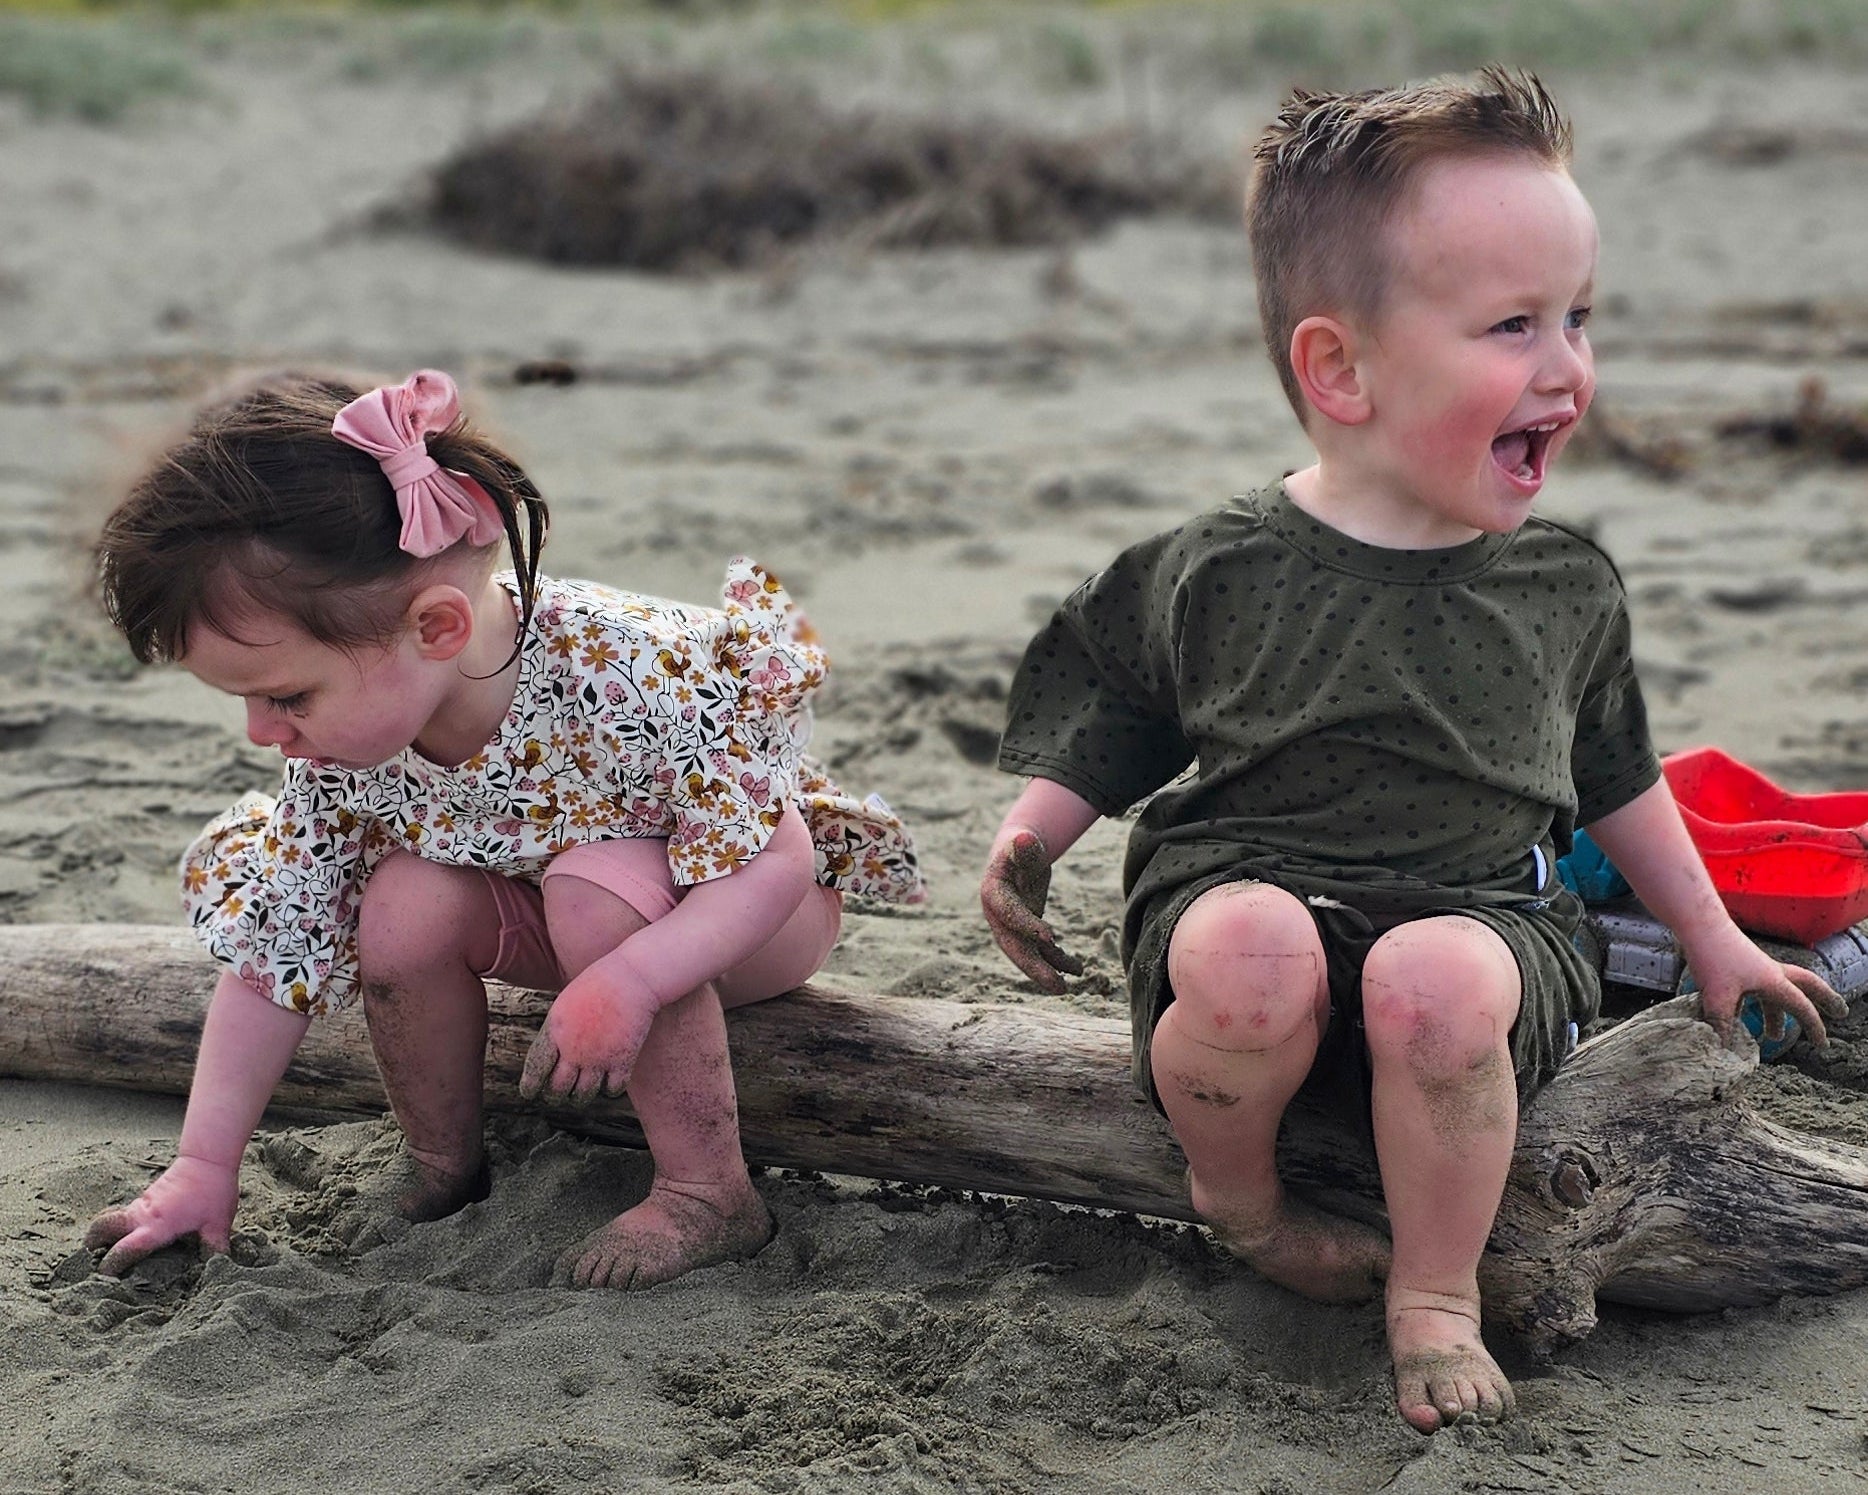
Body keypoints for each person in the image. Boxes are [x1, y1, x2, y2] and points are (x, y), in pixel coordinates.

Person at [980, 68, 1844, 1433]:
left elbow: (1618, 775)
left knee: (1435, 979)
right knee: (1245, 951)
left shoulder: (1563, 585)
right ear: (1342, 366)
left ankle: (1434, 1292)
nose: (1568, 368)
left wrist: (1719, 937)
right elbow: (1118, 700)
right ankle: (1240, 1196)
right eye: (1513, 325)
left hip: (1483, 921)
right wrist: (1031, 839)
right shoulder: (1220, 560)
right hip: (1247, 895)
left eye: (1580, 317)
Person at [84, 368, 923, 1290]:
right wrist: (205, 1165)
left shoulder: (630, 669)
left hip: (743, 914)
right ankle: (446, 1162)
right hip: (564, 912)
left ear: (437, 626)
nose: (263, 731)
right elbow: (273, 956)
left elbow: (779, 857)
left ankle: (707, 1191)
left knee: (592, 887)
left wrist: (637, 978)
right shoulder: (337, 752)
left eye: (285, 694)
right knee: (398, 903)